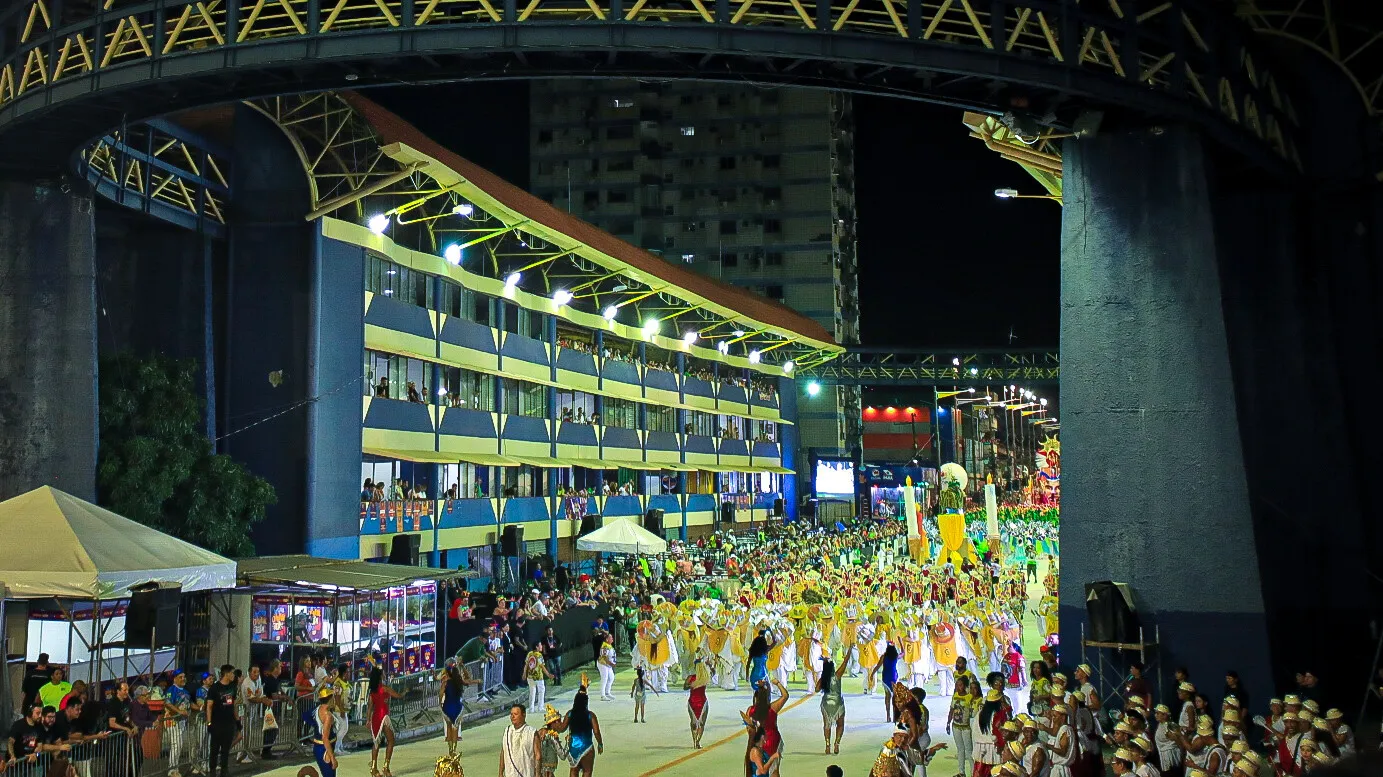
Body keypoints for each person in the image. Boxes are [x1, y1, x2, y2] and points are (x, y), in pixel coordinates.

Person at [366, 653, 402, 777]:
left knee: (376, 743)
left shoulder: (373, 691)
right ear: (380, 676)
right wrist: (405, 692)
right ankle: (386, 767)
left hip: (376, 717)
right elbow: (398, 695)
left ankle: (374, 769)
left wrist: (368, 720)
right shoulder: (384, 688)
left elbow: (370, 707)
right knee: (391, 741)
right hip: (384, 716)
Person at [437, 659, 479, 754]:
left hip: (447, 707)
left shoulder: (445, 682)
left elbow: (440, 694)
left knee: (448, 728)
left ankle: (450, 749)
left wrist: (440, 703)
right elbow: (469, 680)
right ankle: (455, 750)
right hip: (457, 707)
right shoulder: (459, 681)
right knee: (455, 727)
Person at [564, 679, 603, 777]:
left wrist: (552, 724)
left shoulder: (569, 714)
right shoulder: (590, 715)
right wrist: (600, 744)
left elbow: (562, 728)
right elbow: (596, 732)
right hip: (587, 747)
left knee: (573, 771)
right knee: (587, 772)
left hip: (573, 747)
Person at [205, 664, 239, 777]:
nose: (234, 675)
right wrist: (209, 722)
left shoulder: (233, 687)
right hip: (217, 723)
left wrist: (237, 720)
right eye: (232, 673)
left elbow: (233, 705)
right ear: (227, 673)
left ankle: (224, 769)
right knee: (214, 748)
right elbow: (209, 706)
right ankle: (213, 770)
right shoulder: (214, 688)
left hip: (229, 722)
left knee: (226, 748)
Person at [819, 646, 852, 756]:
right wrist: (850, 649)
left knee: (827, 725)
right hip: (838, 702)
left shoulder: (823, 678)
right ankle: (836, 744)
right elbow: (846, 661)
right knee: (840, 725)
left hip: (826, 703)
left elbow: (816, 689)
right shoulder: (837, 675)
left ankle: (827, 745)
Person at [949, 675, 978, 777]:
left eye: (960, 685)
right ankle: (961, 772)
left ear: (965, 686)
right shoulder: (955, 695)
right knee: (960, 749)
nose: (958, 687)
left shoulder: (969, 697)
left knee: (969, 751)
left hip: (966, 727)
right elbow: (951, 709)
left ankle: (973, 772)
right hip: (956, 725)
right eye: (957, 684)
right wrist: (948, 723)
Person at [500, 704, 537, 777]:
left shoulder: (532, 732)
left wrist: (538, 774)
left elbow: (538, 756)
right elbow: (503, 752)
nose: (512, 717)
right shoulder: (507, 731)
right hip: (509, 774)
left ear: (524, 715)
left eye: (515, 714)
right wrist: (500, 773)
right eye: (511, 714)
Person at [534, 705, 567, 777]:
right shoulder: (552, 736)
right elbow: (562, 756)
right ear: (553, 723)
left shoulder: (540, 732)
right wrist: (568, 742)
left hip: (537, 771)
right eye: (558, 721)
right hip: (547, 773)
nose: (560, 723)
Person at [312, 687, 338, 777]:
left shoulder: (318, 709)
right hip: (324, 749)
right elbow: (325, 738)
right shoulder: (328, 715)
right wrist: (332, 757)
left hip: (319, 747)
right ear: (330, 699)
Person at [684, 658, 710, 749]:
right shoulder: (693, 678)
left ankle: (697, 741)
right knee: (695, 723)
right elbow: (685, 687)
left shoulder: (704, 677)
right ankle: (695, 741)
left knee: (701, 723)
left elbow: (685, 687)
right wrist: (692, 685)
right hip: (693, 702)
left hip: (702, 702)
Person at [527, 646, 555, 713]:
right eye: (540, 645)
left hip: (530, 676)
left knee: (532, 692)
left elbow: (526, 664)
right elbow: (542, 666)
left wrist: (524, 673)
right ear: (536, 647)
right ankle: (540, 707)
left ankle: (531, 708)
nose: (541, 647)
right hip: (538, 676)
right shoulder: (539, 655)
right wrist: (548, 674)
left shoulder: (529, 654)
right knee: (541, 691)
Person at [597, 634, 617, 701]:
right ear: (607, 639)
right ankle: (602, 695)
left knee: (611, 677)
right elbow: (604, 657)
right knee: (604, 678)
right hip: (603, 664)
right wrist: (611, 664)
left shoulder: (609, 645)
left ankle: (607, 692)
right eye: (611, 637)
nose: (612, 638)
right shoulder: (605, 646)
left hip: (608, 665)